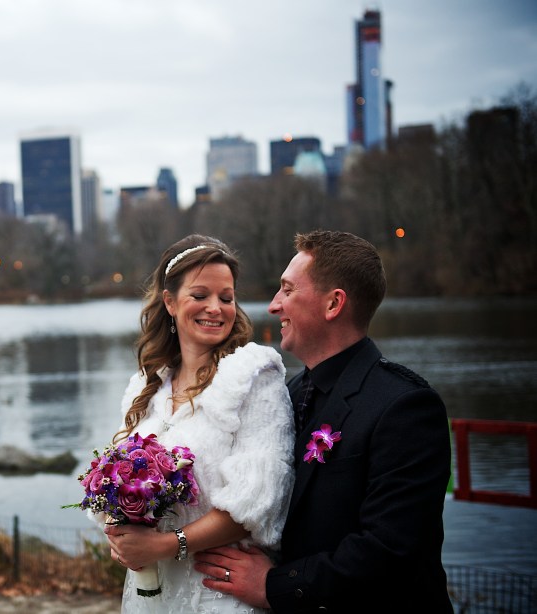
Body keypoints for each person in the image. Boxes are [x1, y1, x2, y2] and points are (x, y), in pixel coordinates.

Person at [194, 230, 453, 612]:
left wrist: (273, 585)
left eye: (287, 290)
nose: (273, 305)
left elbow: (389, 548)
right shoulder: (287, 394)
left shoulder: (406, 406)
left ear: (333, 304)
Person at [102, 234, 295, 613]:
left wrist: (167, 544)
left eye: (226, 297)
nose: (215, 308)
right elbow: (115, 481)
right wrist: (121, 537)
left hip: (219, 590)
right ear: (170, 302)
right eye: (200, 295)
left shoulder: (253, 376)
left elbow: (260, 499)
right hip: (151, 590)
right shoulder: (147, 385)